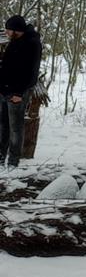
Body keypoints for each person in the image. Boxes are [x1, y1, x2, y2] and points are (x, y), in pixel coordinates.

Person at [0, 15, 42, 168]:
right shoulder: (14, 42)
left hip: (17, 94)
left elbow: (32, 72)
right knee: (2, 126)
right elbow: (6, 67)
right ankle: (1, 158)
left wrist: (18, 93)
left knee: (15, 129)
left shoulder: (32, 44)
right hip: (4, 91)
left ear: (16, 30)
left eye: (9, 29)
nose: (6, 32)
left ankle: (13, 162)